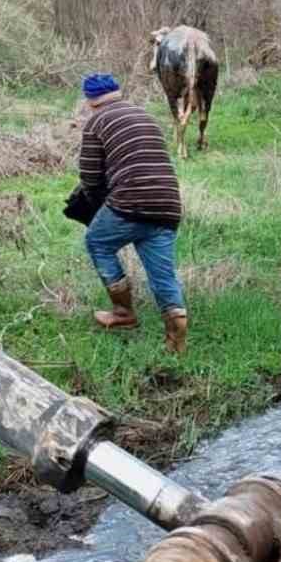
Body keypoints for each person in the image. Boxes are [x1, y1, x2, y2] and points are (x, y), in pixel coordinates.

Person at [76, 71, 188, 353]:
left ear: (90, 101)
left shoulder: (96, 122)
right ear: (117, 92)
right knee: (162, 274)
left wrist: (95, 205)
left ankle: (123, 314)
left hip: (130, 199)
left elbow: (90, 177)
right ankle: (176, 341)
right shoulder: (145, 115)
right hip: (169, 204)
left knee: (97, 242)